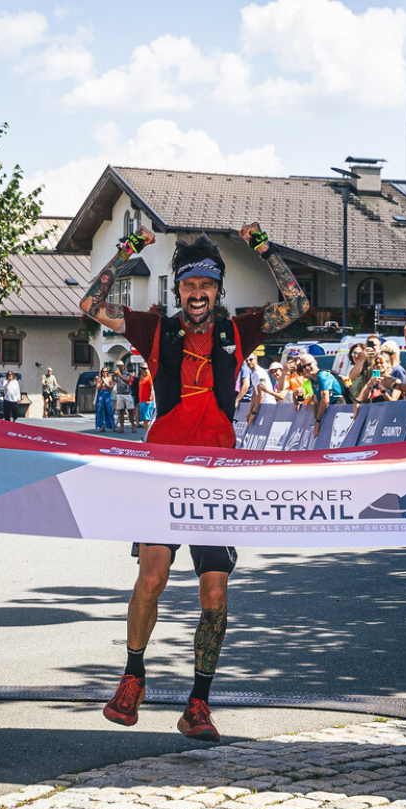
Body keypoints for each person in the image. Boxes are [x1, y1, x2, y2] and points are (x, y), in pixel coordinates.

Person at [81, 224, 310, 741]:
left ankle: (198, 703)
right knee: (152, 579)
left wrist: (265, 250)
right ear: (177, 289)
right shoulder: (153, 329)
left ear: (218, 290)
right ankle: (133, 677)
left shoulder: (238, 331)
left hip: (217, 479)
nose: (198, 293)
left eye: (207, 284)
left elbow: (296, 306)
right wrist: (129, 250)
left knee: (215, 594)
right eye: (189, 285)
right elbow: (92, 304)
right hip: (163, 473)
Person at [134, 363, 154, 428]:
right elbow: (141, 391)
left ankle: (148, 436)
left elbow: (151, 389)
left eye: (145, 368)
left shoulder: (149, 377)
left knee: (147, 420)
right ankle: (146, 435)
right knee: (145, 420)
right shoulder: (142, 378)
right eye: (143, 368)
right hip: (142, 401)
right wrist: (140, 401)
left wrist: (149, 399)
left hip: (148, 401)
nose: (144, 370)